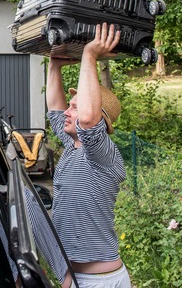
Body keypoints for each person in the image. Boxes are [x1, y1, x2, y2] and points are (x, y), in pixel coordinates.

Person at [46, 22, 131, 288]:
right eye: (71, 107)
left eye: (76, 107)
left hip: (99, 281)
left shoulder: (102, 155)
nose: (68, 113)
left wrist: (89, 55)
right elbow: (55, 108)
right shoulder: (72, 146)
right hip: (73, 277)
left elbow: (88, 119)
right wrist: (54, 65)